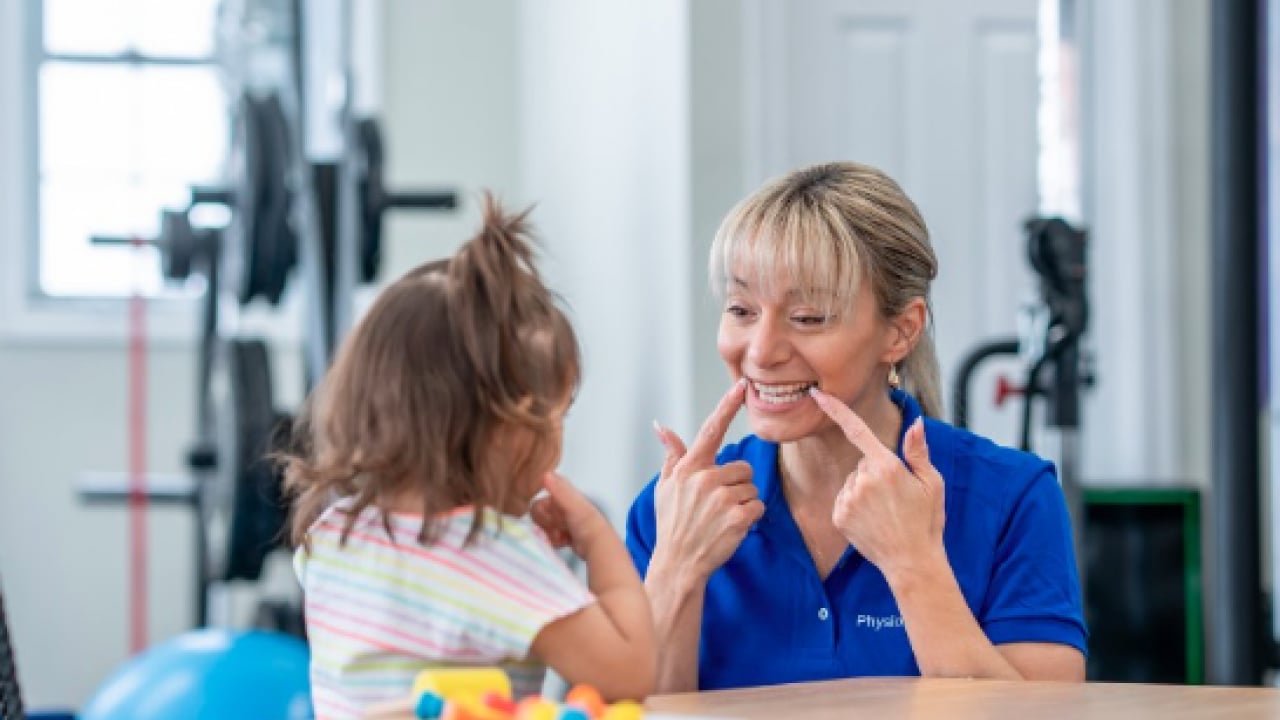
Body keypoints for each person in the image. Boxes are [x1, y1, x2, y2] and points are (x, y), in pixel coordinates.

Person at [625, 162, 1087, 692]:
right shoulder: (672, 509)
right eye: (741, 309)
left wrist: (913, 565)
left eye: (807, 317)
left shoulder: (1014, 498)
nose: (761, 351)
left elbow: (1047, 713)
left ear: (900, 331)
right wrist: (676, 570)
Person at [285, 194, 656, 719]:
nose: (558, 442)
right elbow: (630, 672)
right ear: (510, 428)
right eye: (557, 417)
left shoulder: (331, 535)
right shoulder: (496, 551)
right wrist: (596, 539)